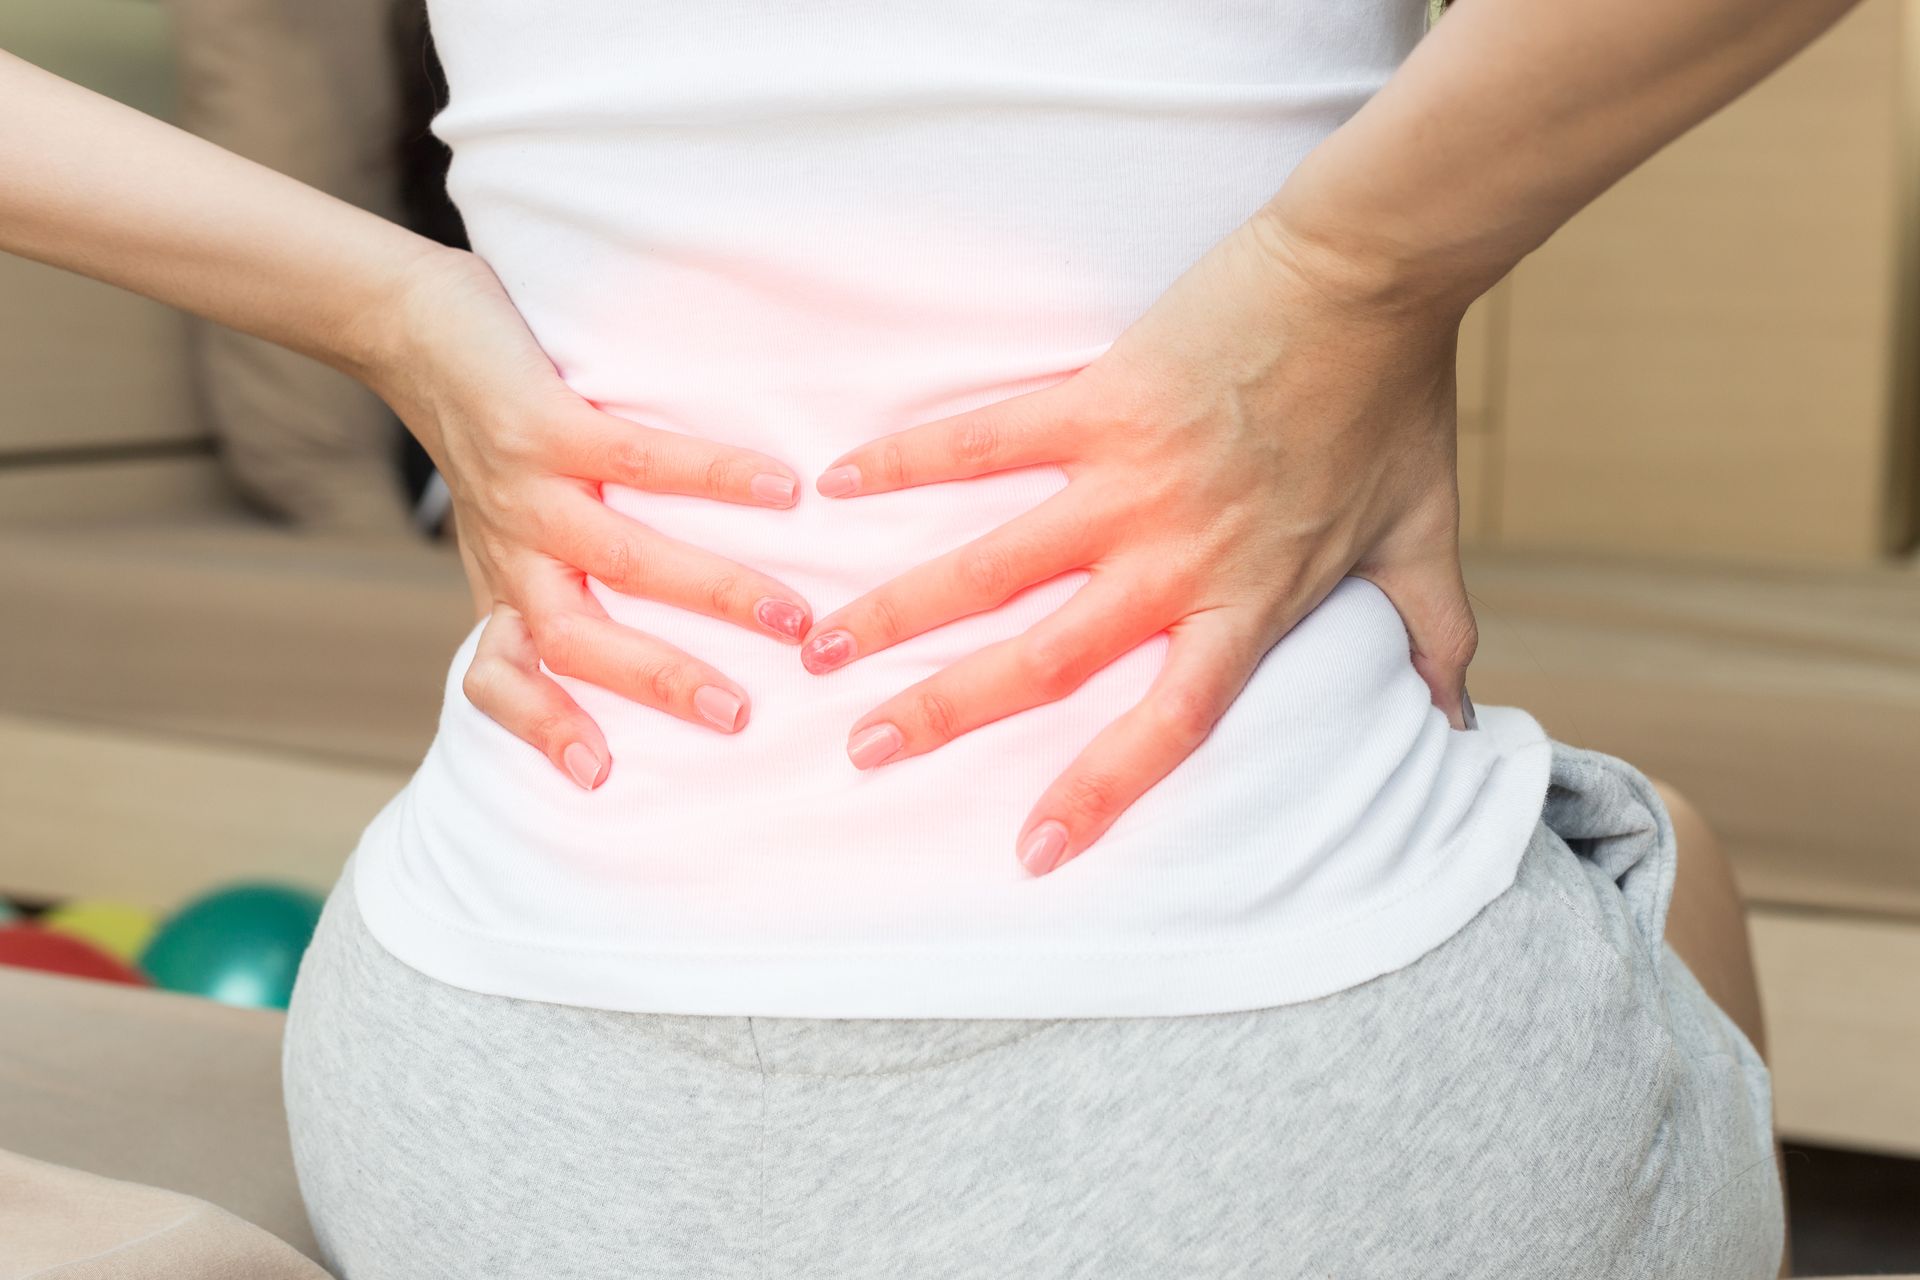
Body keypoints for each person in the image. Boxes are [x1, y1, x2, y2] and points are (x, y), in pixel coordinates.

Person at [0, 0, 1850, 1272]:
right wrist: (1348, 277)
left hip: (494, 1134)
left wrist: (387, 300)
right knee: (1660, 846)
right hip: (1330, 1128)